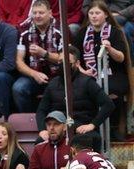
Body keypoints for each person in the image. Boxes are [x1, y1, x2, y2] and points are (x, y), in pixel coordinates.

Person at [35, 45, 114, 152]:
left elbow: (108, 105)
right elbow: (41, 110)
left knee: (92, 139)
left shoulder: (87, 82)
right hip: (58, 129)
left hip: (81, 129)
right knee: (40, 141)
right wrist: (42, 130)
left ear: (77, 63)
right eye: (60, 62)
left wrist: (92, 125)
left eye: (67, 62)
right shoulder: (52, 84)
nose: (63, 65)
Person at [74, 0, 132, 140]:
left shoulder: (115, 32)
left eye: (97, 13)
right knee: (89, 87)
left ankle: (113, 128)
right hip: (90, 73)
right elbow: (74, 56)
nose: (94, 16)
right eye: (91, 13)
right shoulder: (82, 33)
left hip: (114, 73)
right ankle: (95, 128)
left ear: (106, 14)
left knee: (109, 88)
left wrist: (110, 49)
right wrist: (81, 70)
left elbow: (121, 58)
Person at [13, 0, 63, 113]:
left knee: (61, 87)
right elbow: (19, 62)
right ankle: (30, 120)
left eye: (41, 13)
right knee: (19, 88)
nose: (37, 16)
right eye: (34, 13)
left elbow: (65, 58)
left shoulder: (61, 29)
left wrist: (44, 54)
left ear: (50, 13)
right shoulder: (23, 31)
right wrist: (34, 74)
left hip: (57, 75)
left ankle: (58, 121)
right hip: (33, 75)